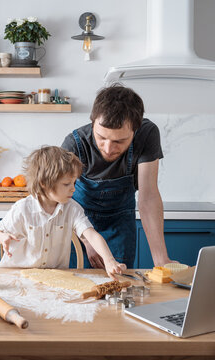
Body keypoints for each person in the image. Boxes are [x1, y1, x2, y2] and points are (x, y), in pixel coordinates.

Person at [61, 84, 173, 268]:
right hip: (79, 224)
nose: (108, 148)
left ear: (135, 130)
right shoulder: (74, 144)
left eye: (119, 141)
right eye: (101, 137)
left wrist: (161, 260)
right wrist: (88, 240)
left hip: (120, 225)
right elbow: (60, 202)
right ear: (93, 121)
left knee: (119, 288)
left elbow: (148, 195)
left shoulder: (147, 134)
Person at [0, 146, 127, 279]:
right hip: (15, 276)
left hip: (53, 278)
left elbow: (91, 235)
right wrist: (3, 238)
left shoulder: (72, 209)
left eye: (74, 183)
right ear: (44, 183)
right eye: (67, 184)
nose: (73, 189)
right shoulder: (22, 209)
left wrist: (109, 261)